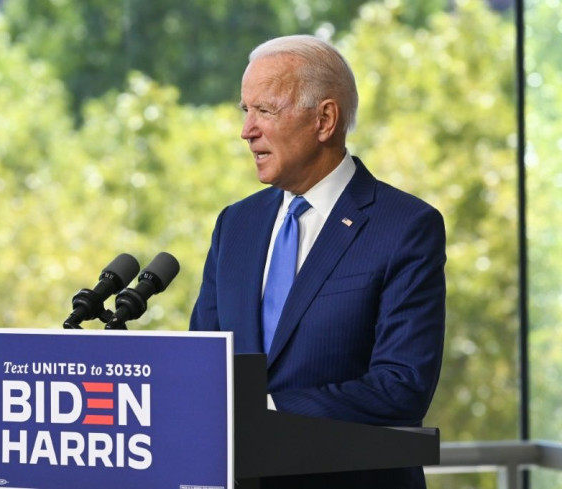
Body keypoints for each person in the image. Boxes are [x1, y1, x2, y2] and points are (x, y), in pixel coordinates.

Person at [190, 35, 446, 488]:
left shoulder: (405, 227)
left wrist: (264, 411)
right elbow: (203, 363)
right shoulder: (236, 224)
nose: (247, 130)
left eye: (264, 111)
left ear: (325, 119)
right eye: (244, 111)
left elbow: (401, 386)